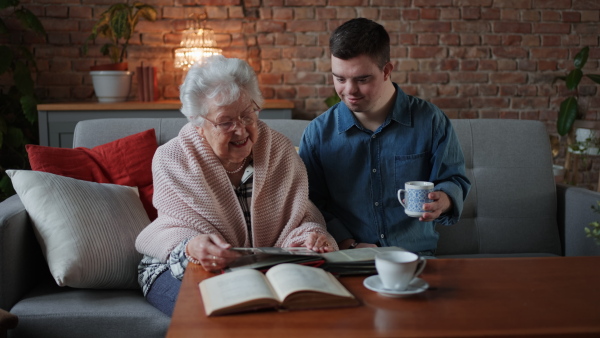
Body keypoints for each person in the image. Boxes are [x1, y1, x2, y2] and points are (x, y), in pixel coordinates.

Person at [136, 55, 337, 316]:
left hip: (259, 269)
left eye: (247, 115)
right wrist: (192, 245)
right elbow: (173, 225)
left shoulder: (279, 150)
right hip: (179, 268)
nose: (241, 130)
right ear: (198, 124)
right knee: (218, 311)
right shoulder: (172, 158)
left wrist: (309, 236)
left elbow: (299, 216)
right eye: (226, 122)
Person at [299, 18, 470, 256]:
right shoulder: (318, 133)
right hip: (346, 257)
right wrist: (349, 243)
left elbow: (454, 179)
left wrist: (444, 200)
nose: (349, 90)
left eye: (362, 79)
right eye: (339, 78)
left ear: (387, 70)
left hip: (416, 258)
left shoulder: (430, 120)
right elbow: (309, 203)